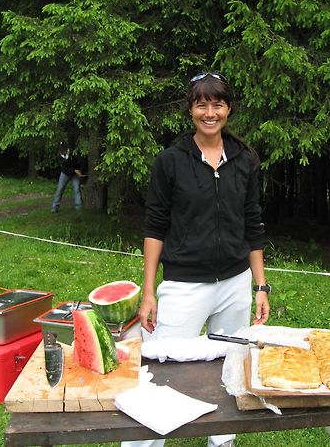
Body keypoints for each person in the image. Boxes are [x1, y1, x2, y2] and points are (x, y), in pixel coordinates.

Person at [124, 72, 270, 447]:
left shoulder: (245, 158)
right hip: (184, 284)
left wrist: (260, 286)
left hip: (236, 282)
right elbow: (155, 226)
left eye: (217, 104)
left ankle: (222, 441)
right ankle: (144, 443)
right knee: (160, 368)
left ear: (228, 108)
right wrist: (149, 291)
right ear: (190, 109)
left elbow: (252, 223)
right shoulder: (170, 161)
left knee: (231, 366)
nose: (210, 112)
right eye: (202, 104)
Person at [51, 142, 83, 212]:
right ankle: (54, 207)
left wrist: (79, 171)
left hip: (75, 173)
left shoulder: (72, 153)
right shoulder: (59, 156)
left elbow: (78, 162)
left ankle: (79, 208)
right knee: (60, 190)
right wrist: (74, 170)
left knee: (77, 190)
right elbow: (63, 169)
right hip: (65, 173)